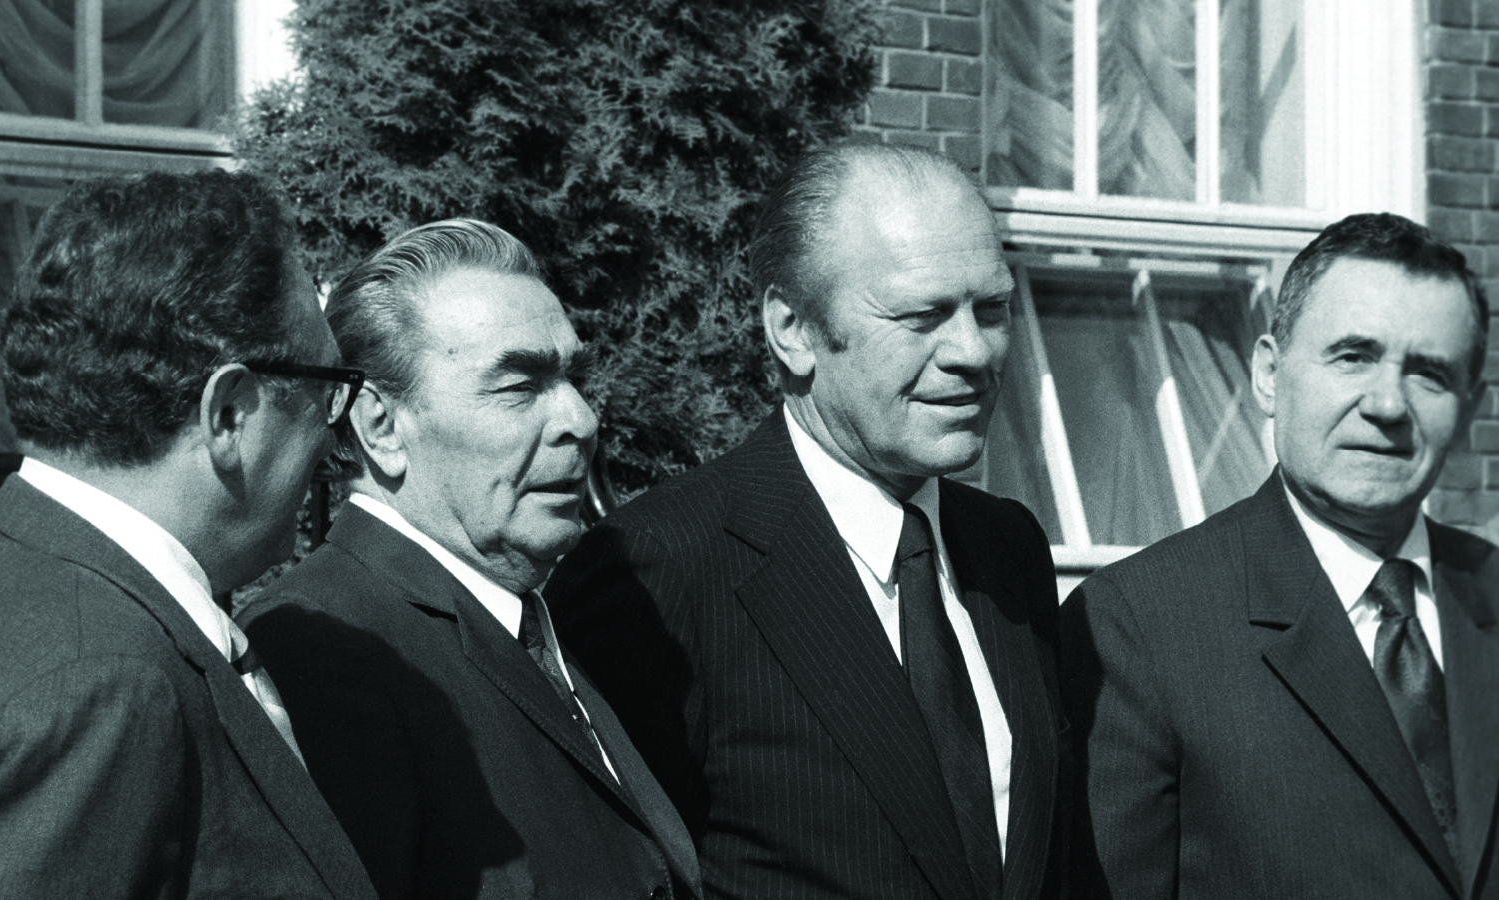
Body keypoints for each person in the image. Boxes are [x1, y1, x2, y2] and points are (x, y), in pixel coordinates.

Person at [546, 143, 1067, 900]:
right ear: (793, 330)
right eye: (922, 316)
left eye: (991, 309)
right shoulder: (659, 570)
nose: (973, 352)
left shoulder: (1008, 548)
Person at [238, 219, 702, 900]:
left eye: (573, 375)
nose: (580, 418)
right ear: (380, 427)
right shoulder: (320, 649)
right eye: (520, 385)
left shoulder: (531, 625)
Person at [1061, 212, 1499, 899]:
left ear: (1468, 409)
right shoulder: (1138, 625)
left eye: (1429, 374)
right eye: (1353, 355)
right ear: (1268, 373)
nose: (1388, 403)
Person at [0, 171, 376, 899]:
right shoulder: (103, 683)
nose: (335, 446)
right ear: (230, 414)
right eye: (328, 393)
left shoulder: (45, 585)